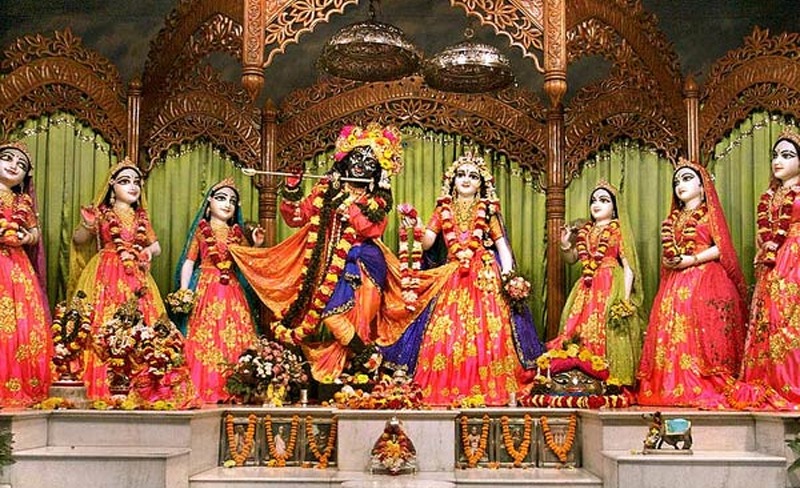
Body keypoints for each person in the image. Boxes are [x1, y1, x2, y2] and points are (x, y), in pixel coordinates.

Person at [230, 123, 410, 383]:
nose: (360, 165)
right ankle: (367, 357)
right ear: (344, 160)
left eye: (370, 162)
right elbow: (295, 216)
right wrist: (292, 188)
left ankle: (357, 373)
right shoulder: (324, 192)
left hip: (365, 267)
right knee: (332, 317)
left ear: (377, 172)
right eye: (356, 157)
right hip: (327, 264)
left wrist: (346, 206)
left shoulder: (375, 202)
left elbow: (370, 228)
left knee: (358, 321)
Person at [381, 152, 543, 406]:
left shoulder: (488, 211)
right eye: (461, 175)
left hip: (485, 277)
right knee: (445, 334)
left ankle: (490, 386)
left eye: (473, 176)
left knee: (491, 335)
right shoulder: (442, 210)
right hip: (452, 275)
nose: (466, 179)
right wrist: (417, 225)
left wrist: (509, 278)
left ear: (481, 184)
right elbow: (427, 243)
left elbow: (502, 246)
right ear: (452, 181)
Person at [637, 159, 747, 407]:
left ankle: (702, 382)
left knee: (700, 328)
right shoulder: (673, 218)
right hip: (675, 281)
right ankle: (671, 385)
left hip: (706, 279)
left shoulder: (709, 215)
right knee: (672, 329)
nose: (680, 185)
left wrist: (693, 259)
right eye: (677, 181)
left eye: (687, 179)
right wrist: (673, 260)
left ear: (702, 185)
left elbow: (721, 248)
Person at [70, 159, 167, 398]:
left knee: (142, 326)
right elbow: (79, 240)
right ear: (111, 186)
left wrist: (147, 251)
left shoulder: (141, 218)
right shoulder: (102, 214)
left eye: (136, 182)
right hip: (105, 273)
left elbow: (156, 247)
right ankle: (102, 383)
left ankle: (141, 385)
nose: (133, 186)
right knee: (101, 324)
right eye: (125, 181)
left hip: (137, 275)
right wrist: (87, 224)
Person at [547, 180, 645, 387]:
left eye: (604, 200)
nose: (597, 204)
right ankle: (581, 374)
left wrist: (625, 299)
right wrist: (565, 245)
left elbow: (628, 266)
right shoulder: (586, 230)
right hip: (586, 284)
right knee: (577, 328)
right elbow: (573, 259)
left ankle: (610, 377)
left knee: (608, 326)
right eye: (594, 200)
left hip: (611, 282)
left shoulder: (618, 230)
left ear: (614, 207)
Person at [173, 178, 260, 403]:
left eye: (232, 200)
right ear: (209, 202)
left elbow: (248, 261)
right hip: (205, 287)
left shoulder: (237, 233)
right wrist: (184, 291)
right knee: (203, 337)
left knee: (233, 337)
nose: (227, 204)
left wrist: (255, 246)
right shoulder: (202, 231)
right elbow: (189, 261)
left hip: (231, 289)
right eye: (221, 198)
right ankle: (202, 387)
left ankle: (235, 388)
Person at [739, 130, 800, 404]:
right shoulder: (769, 196)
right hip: (772, 263)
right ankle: (771, 379)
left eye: (787, 155)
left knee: (791, 321)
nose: (778, 161)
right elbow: (763, 231)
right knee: (770, 319)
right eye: (775, 155)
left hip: (796, 260)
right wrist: (763, 248)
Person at [0, 141, 52, 406]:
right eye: (7, 158)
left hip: (17, 267)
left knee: (21, 324)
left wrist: (24, 236)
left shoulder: (23, 202)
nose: (13, 166)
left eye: (21, 165)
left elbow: (35, 233)